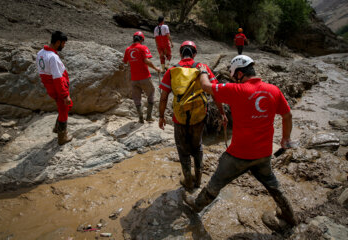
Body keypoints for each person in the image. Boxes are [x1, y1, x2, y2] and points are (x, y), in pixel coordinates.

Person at [184, 55, 298, 229]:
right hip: (264, 153)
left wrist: (203, 71)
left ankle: (196, 205)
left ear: (238, 73)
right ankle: (290, 216)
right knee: (273, 185)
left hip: (238, 154)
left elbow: (206, 86)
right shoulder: (274, 90)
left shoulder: (236, 90)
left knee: (217, 182)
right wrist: (285, 138)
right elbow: (287, 115)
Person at [159, 40, 227, 191]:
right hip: (199, 117)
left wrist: (161, 116)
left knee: (182, 150)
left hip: (179, 118)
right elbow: (215, 93)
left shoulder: (172, 70)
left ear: (180, 53)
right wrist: (222, 113)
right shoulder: (203, 68)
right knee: (197, 148)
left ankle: (188, 181)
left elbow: (163, 97)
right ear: (194, 54)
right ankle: (198, 180)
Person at [36, 31, 73, 145]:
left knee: (62, 106)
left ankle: (57, 128)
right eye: (63, 43)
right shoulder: (52, 57)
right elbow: (57, 78)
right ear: (57, 42)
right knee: (64, 109)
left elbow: (42, 73)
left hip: (51, 87)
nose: (64, 46)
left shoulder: (40, 53)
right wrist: (65, 94)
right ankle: (62, 137)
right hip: (57, 87)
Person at [123, 31, 161, 123]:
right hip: (144, 77)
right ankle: (148, 116)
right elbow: (147, 61)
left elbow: (125, 61)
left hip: (134, 78)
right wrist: (156, 68)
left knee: (136, 98)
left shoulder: (128, 49)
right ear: (142, 40)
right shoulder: (143, 47)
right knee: (151, 93)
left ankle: (140, 118)